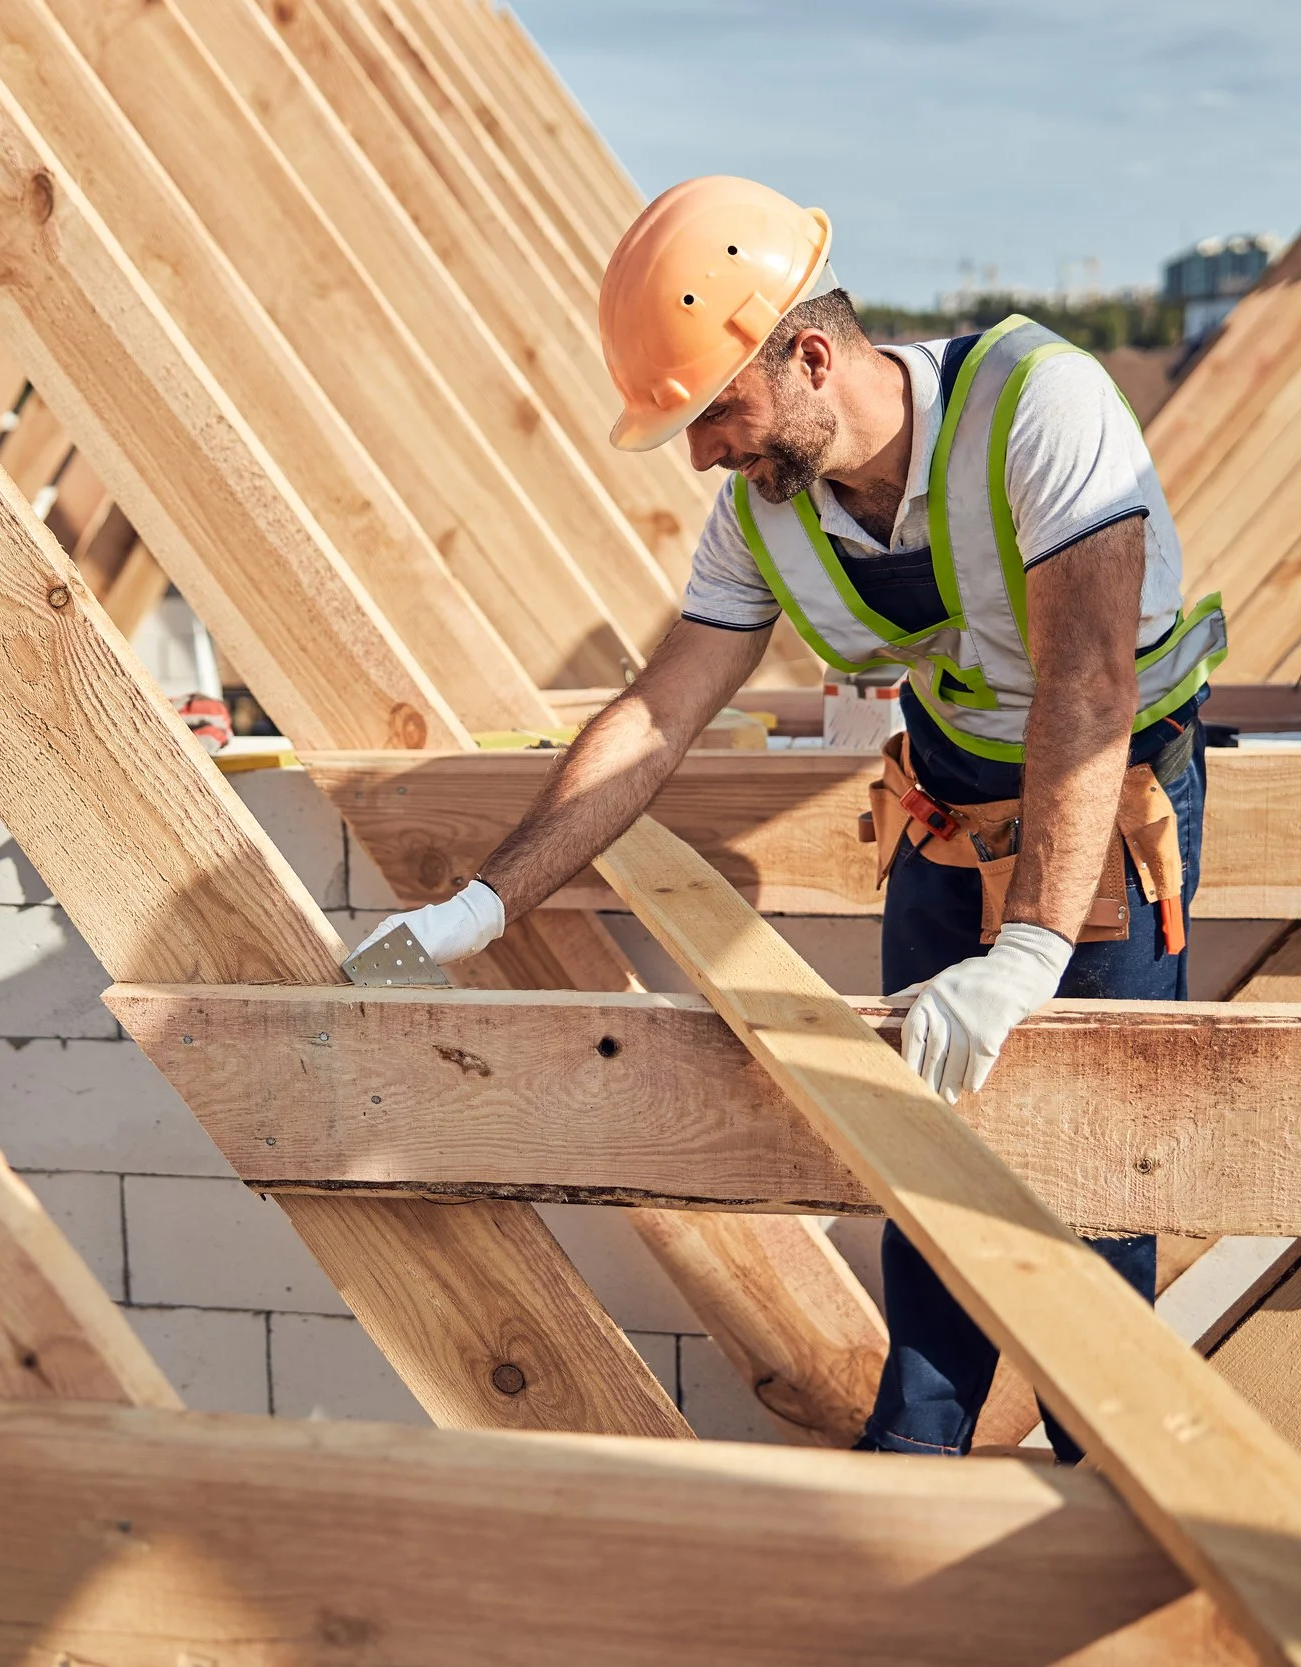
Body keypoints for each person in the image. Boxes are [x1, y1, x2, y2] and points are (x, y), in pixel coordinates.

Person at [353, 176, 1225, 1460]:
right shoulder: (764, 512)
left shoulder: (1041, 403)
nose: (706, 453)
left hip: (1106, 797)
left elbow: (1087, 681)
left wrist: (1029, 952)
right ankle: (915, 1460)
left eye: (715, 413)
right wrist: (481, 905)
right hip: (940, 806)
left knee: (1090, 1166)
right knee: (916, 1144)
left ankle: (1120, 1475)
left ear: (809, 352)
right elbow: (656, 716)